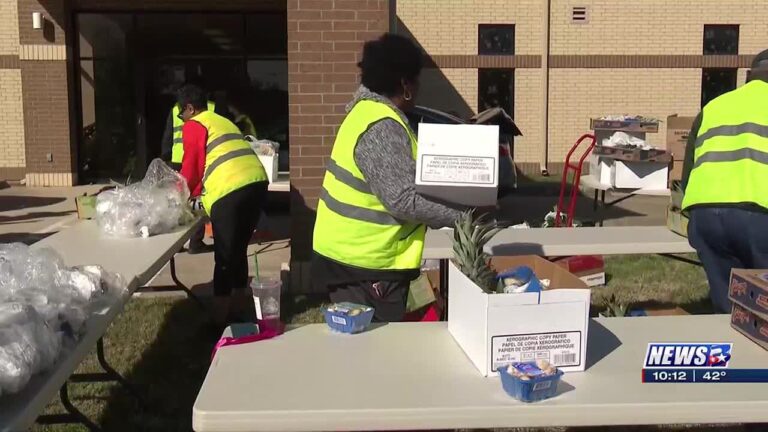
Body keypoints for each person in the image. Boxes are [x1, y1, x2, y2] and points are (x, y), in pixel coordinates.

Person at [311, 33, 467, 323]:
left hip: (355, 258)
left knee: (366, 351)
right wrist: (466, 214)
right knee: (376, 354)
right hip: (366, 264)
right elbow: (403, 199)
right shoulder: (382, 125)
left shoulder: (366, 114)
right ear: (405, 84)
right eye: (417, 81)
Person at [681, 48, 768, 313]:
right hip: (759, 216)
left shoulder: (715, 106)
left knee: (729, 303)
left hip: (705, 216)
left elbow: (687, 171)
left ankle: (730, 349)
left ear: (749, 76)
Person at [176, 84, 270, 327]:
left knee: (225, 257)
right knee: (237, 251)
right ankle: (239, 311)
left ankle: (218, 322)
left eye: (181, 114)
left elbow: (192, 166)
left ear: (189, 108)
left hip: (231, 189)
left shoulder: (196, 124)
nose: (181, 119)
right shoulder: (222, 121)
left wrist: (179, 195)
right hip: (256, 183)